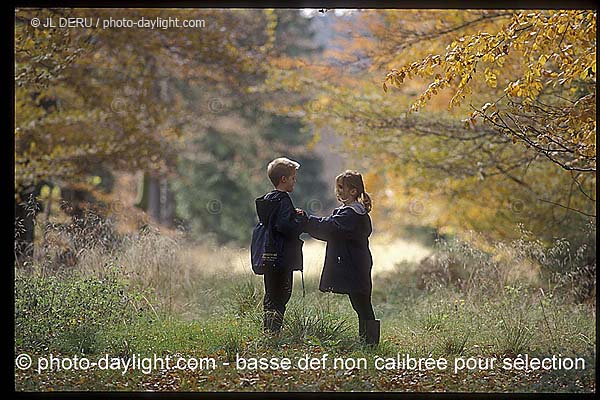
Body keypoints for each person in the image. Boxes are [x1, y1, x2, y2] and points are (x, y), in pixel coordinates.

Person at [297, 170, 380, 345]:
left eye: (342, 187)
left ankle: (370, 343)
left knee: (362, 304)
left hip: (355, 264)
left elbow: (330, 227)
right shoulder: (349, 212)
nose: (339, 191)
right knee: (361, 304)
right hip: (357, 263)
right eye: (338, 188)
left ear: (353, 191)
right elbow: (330, 226)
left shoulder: (352, 214)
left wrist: (306, 220)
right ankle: (368, 342)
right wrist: (308, 222)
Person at [251, 157, 304, 334]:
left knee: (270, 294)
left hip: (268, 256)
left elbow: (274, 221)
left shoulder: (269, 200)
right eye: (293, 178)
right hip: (282, 258)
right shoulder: (284, 200)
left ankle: (268, 331)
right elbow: (284, 226)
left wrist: (290, 214)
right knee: (283, 294)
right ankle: (274, 332)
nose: (294, 181)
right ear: (284, 179)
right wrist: (299, 220)